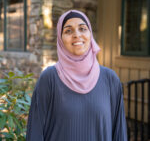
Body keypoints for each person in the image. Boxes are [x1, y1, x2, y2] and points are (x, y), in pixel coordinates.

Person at [26, 10, 127, 141]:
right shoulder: (49, 78)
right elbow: (35, 131)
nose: (77, 35)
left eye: (82, 29)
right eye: (68, 31)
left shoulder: (110, 79)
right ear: (60, 39)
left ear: (90, 34)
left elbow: (119, 132)